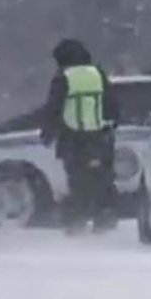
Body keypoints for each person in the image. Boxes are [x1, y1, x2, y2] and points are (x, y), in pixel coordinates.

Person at [39, 38, 120, 234]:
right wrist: (112, 125)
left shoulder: (63, 78)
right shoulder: (98, 74)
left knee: (78, 183)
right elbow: (111, 105)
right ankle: (104, 220)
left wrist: (47, 134)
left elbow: (54, 108)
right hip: (100, 138)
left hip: (72, 139)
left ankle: (77, 223)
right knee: (102, 181)